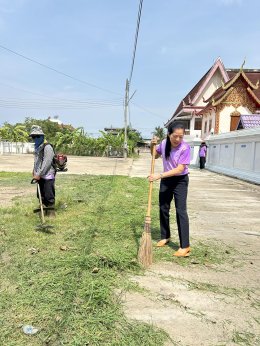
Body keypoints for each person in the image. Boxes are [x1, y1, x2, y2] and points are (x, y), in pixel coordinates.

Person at [149, 122, 191, 257]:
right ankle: (165, 236)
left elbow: (180, 169)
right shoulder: (164, 143)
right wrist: (152, 145)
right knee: (163, 207)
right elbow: (155, 155)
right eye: (175, 136)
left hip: (180, 180)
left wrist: (159, 175)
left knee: (181, 211)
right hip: (167, 180)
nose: (178, 139)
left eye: (181, 136)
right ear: (169, 134)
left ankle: (185, 246)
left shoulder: (185, 148)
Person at [30, 125, 56, 217]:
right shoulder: (37, 147)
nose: (35, 139)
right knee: (41, 196)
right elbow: (37, 161)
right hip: (39, 176)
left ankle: (51, 214)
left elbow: (47, 162)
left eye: (37, 136)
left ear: (42, 136)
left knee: (49, 196)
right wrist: (34, 170)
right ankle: (43, 212)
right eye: (33, 137)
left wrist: (39, 174)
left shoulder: (47, 147)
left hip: (47, 176)